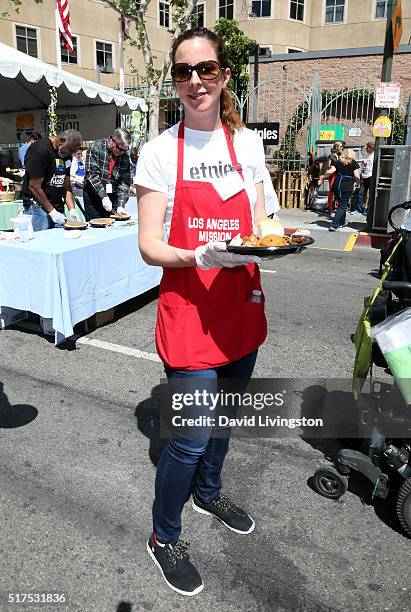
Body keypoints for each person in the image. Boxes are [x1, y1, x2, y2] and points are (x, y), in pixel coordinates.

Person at [135, 27, 269, 596]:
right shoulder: (161, 151)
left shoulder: (250, 144)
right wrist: (196, 254)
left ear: (223, 75)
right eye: (184, 71)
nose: (196, 81)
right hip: (190, 310)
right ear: (174, 81)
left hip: (240, 306)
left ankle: (209, 494)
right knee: (190, 437)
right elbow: (149, 247)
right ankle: (165, 536)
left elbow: (264, 222)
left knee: (224, 422)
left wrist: (273, 239)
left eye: (206, 69)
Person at [22, 129, 82, 231]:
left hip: (57, 207)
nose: (71, 154)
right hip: (39, 209)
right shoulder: (40, 150)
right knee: (42, 243)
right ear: (62, 140)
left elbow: (66, 183)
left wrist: (71, 209)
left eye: (73, 152)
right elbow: (34, 187)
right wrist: (52, 212)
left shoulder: (66, 156)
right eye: (70, 150)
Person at [83, 128, 131, 220]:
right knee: (96, 224)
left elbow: (124, 182)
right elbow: (92, 175)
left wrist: (121, 204)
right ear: (112, 141)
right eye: (120, 149)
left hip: (112, 195)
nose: (121, 153)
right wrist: (104, 197)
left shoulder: (124, 156)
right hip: (94, 195)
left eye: (124, 150)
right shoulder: (96, 147)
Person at [318, 148, 360, 232]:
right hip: (347, 185)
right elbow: (357, 175)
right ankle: (334, 224)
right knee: (342, 205)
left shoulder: (338, 162)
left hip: (337, 185)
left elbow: (330, 171)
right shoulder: (353, 163)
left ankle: (342, 222)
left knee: (341, 204)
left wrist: (323, 176)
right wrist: (358, 183)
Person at [353, 142, 375, 215]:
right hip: (365, 176)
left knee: (370, 194)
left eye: (367, 147)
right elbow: (367, 164)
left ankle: (367, 209)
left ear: (372, 148)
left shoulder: (374, 156)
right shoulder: (369, 156)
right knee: (361, 193)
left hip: (370, 177)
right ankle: (359, 209)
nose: (366, 149)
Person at [326, 141, 343, 215]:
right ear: (336, 147)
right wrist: (332, 167)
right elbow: (328, 165)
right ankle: (330, 207)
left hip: (340, 175)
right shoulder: (331, 156)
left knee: (339, 191)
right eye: (340, 146)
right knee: (332, 191)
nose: (342, 148)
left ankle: (338, 207)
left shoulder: (341, 156)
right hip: (333, 175)